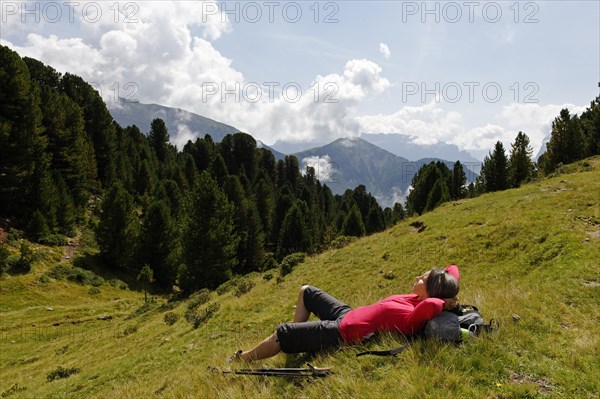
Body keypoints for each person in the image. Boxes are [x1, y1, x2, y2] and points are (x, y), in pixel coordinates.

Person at [229, 265, 460, 362]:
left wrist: (445, 301)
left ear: (431, 293)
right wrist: (446, 288)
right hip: (348, 314)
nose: (417, 277)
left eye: (422, 278)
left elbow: (432, 306)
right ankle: (294, 347)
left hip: (344, 331)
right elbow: (453, 270)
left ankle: (243, 359)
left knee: (282, 333)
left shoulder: (417, 313)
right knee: (306, 291)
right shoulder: (415, 298)